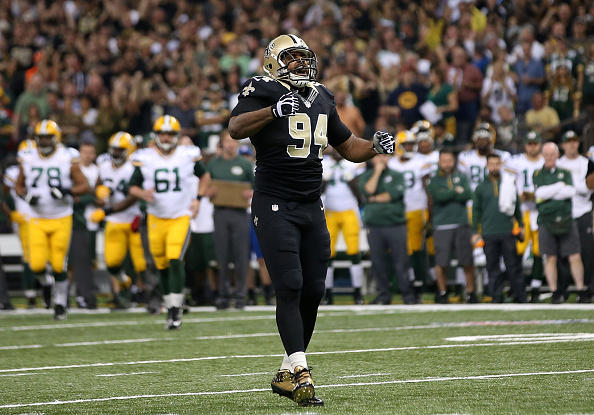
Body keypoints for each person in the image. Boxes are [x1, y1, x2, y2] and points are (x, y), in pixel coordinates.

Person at [228, 34, 394, 407]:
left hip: (310, 204)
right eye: (292, 58)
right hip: (274, 202)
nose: (300, 64)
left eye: (304, 58)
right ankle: (302, 372)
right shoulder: (262, 87)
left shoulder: (321, 95)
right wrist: (273, 111)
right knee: (289, 283)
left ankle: (287, 371)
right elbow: (235, 128)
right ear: (273, 61)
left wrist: (375, 146)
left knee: (314, 290)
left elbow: (348, 145)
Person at [129, 115, 211, 329]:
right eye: (162, 133)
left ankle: (176, 308)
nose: (166, 137)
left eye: (170, 133)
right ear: (156, 135)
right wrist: (142, 193)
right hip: (156, 218)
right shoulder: (145, 157)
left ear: (177, 135)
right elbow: (132, 186)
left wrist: (198, 199)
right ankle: (170, 306)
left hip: (180, 215)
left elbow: (204, 176)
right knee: (161, 264)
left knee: (175, 258)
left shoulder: (187, 154)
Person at [15, 120, 90, 320]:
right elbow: (19, 186)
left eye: (48, 137)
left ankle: (60, 303)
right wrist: (26, 197)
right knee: (36, 265)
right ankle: (47, 284)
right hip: (37, 218)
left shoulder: (67, 157)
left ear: (56, 139)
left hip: (61, 216)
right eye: (41, 137)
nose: (44, 141)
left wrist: (67, 190)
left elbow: (84, 185)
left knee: (58, 264)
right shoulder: (28, 157)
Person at [92, 132, 148, 309]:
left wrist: (107, 209)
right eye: (114, 149)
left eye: (120, 149)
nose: (115, 153)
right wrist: (99, 194)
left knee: (142, 264)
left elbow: (133, 197)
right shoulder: (104, 165)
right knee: (112, 264)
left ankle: (146, 294)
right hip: (114, 221)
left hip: (134, 219)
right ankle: (124, 284)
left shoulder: (134, 166)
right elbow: (97, 187)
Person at [533, 142, 587, 303]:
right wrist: (558, 187)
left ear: (557, 155)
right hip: (546, 221)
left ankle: (580, 290)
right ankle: (555, 292)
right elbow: (539, 194)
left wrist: (549, 194)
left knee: (575, 256)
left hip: (566, 218)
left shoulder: (565, 172)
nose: (549, 157)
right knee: (550, 257)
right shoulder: (538, 173)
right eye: (547, 154)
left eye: (552, 154)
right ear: (543, 155)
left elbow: (570, 192)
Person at [206, 131, 254, 310]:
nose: (230, 144)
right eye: (227, 141)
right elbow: (204, 184)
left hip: (240, 213)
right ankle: (223, 294)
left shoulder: (244, 164)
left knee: (241, 255)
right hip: (220, 212)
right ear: (221, 144)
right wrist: (208, 191)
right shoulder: (213, 164)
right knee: (222, 255)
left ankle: (241, 295)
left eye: (233, 141)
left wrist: (251, 192)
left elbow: (257, 185)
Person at [359, 153, 412, 304]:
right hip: (374, 225)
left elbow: (394, 194)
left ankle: (406, 294)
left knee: (401, 260)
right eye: (377, 156)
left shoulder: (397, 175)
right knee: (378, 261)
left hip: (396, 224)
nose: (381, 159)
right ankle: (383, 295)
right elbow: (368, 190)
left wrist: (374, 199)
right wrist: (377, 172)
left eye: (384, 156)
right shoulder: (367, 175)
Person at [472, 153, 525, 303]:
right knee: (492, 267)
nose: (494, 167)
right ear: (487, 166)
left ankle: (519, 296)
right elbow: (476, 211)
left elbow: (517, 207)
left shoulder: (508, 183)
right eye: (491, 164)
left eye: (497, 163)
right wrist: (475, 231)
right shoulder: (481, 187)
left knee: (513, 266)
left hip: (507, 230)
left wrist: (520, 225)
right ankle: (496, 296)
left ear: (501, 165)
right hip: (489, 232)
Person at [426, 148, 476, 303]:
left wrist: (449, 192)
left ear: (454, 161)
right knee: (441, 262)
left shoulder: (461, 176)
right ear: (439, 162)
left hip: (461, 223)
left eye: (449, 161)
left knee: (467, 260)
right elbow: (438, 196)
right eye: (444, 161)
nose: (447, 164)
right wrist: (455, 191)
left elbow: (468, 194)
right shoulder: (434, 179)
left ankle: (470, 292)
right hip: (442, 225)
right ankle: (442, 292)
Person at [388, 130, 433, 299]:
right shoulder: (392, 163)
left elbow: (427, 189)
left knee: (415, 248)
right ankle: (405, 283)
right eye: (406, 145)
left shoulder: (421, 161)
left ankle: (417, 284)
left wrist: (430, 213)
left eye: (411, 144)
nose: (409, 147)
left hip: (416, 208)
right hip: (397, 210)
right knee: (400, 250)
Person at [321, 149, 364, 305]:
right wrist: (325, 179)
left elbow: (360, 194)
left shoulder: (352, 163)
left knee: (354, 251)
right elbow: (319, 190)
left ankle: (357, 292)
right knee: (327, 254)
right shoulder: (323, 163)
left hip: (349, 211)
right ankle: (328, 293)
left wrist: (351, 179)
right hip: (330, 211)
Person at [506, 131, 545, 302]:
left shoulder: (545, 160)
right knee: (518, 250)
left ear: (539, 144)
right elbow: (507, 181)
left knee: (539, 250)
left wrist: (536, 195)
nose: (532, 147)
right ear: (525, 145)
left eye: (535, 143)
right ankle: (517, 286)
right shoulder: (516, 161)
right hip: (521, 211)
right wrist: (517, 194)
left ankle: (536, 287)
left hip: (539, 210)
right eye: (529, 143)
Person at [557, 131, 593, 302]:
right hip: (563, 213)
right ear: (563, 145)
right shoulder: (557, 163)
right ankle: (563, 290)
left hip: (584, 211)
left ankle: (587, 289)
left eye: (574, 141)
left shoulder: (586, 162)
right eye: (568, 141)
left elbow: (587, 189)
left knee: (588, 253)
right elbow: (555, 189)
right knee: (563, 255)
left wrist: (566, 186)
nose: (571, 145)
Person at [70, 139, 98, 309]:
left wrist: (82, 198)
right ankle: (75, 293)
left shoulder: (97, 171)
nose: (88, 155)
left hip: (92, 220)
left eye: (90, 152)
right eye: (85, 152)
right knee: (72, 261)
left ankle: (86, 292)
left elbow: (97, 196)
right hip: (75, 220)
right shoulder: (74, 170)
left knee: (90, 260)